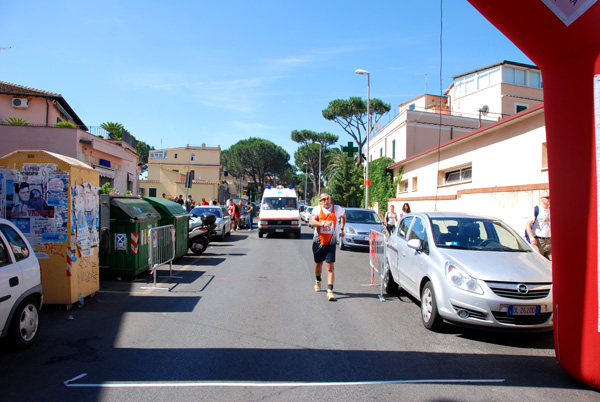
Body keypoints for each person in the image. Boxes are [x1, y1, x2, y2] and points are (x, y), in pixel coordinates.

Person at [310, 192, 346, 301]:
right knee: (318, 265)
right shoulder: (317, 209)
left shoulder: (337, 209)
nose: (326, 201)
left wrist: (342, 229)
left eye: (328, 198)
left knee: (330, 267)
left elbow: (344, 216)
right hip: (318, 242)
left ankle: (330, 291)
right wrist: (322, 224)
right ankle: (318, 281)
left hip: (331, 243)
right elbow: (312, 222)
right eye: (323, 199)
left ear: (330, 199)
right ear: (320, 201)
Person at [525, 190, 551, 260]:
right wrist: (531, 237)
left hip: (550, 241)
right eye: (547, 197)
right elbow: (528, 225)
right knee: (539, 261)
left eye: (550, 197)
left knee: (551, 263)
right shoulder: (536, 210)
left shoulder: (552, 210)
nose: (549, 199)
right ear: (541, 198)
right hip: (539, 240)